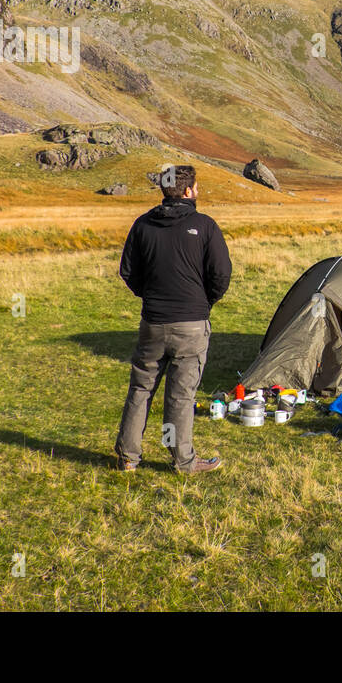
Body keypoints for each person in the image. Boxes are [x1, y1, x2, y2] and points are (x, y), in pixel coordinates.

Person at [114, 164, 231, 473]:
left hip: (153, 322)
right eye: (197, 187)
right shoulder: (204, 226)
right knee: (180, 396)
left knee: (141, 389)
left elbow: (128, 272)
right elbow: (221, 274)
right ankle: (182, 460)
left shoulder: (142, 225)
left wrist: (150, 296)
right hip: (191, 324)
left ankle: (128, 457)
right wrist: (203, 303)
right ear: (188, 191)